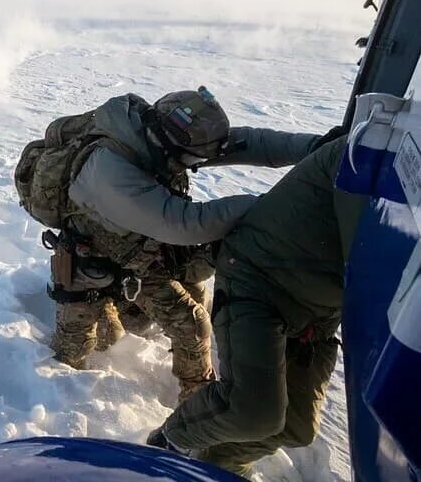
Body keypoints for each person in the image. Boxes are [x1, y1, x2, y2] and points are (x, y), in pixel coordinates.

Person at [20, 87, 325, 401]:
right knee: (76, 348)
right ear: (170, 145)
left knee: (189, 320)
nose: (199, 163)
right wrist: (273, 207)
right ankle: (59, 403)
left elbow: (248, 143)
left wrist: (318, 148)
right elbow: (185, 223)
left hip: (139, 256)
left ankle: (196, 398)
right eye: (194, 159)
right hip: (89, 266)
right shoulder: (111, 171)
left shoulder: (160, 133)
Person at [147, 135, 361, 477]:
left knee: (296, 427)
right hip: (259, 279)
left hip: (315, 310)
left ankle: (221, 465)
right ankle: (166, 446)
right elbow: (374, 265)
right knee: (253, 410)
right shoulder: (377, 152)